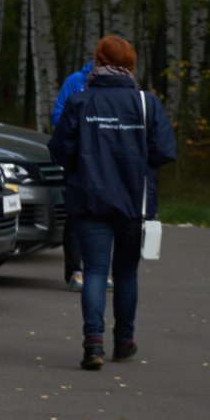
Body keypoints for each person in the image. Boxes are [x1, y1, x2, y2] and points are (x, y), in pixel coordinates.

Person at [49, 34, 174, 369]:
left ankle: (93, 344)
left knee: (95, 270)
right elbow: (164, 152)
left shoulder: (80, 102)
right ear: (130, 65)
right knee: (126, 272)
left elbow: (58, 150)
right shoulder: (147, 103)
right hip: (134, 200)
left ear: (98, 61)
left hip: (89, 198)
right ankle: (123, 341)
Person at [51, 53, 96, 288]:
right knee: (75, 214)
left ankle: (96, 271)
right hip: (78, 159)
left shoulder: (119, 86)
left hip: (103, 161)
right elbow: (57, 115)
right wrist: (80, 124)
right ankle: (74, 271)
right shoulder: (76, 80)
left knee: (103, 215)